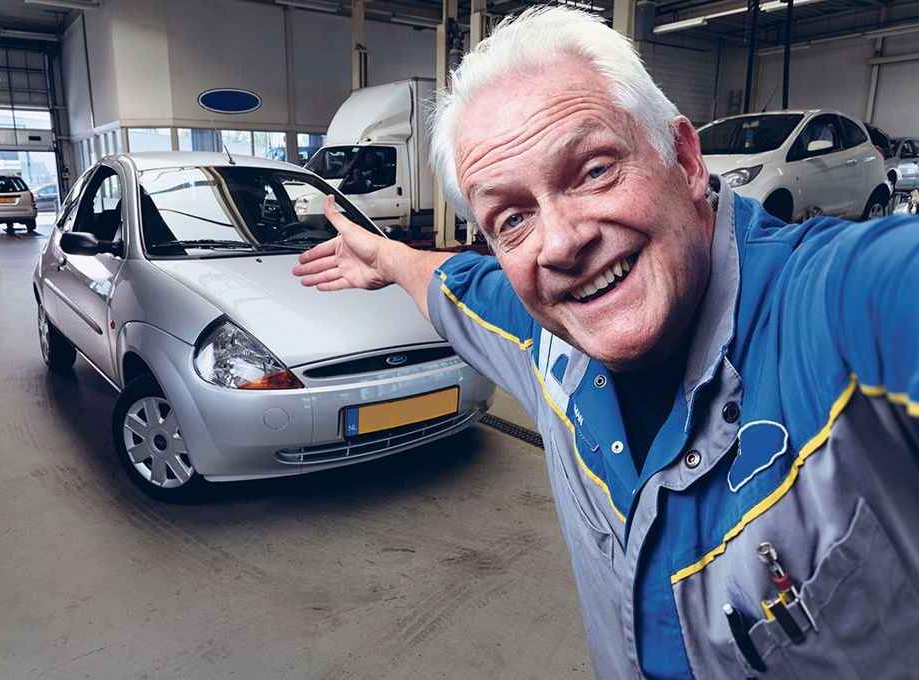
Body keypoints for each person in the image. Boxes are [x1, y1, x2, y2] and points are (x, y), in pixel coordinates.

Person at [293, 7, 919, 678]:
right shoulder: (542, 338)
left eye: (594, 170)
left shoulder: (838, 304)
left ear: (685, 160)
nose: (562, 244)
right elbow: (452, 283)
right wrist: (387, 257)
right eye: (513, 217)